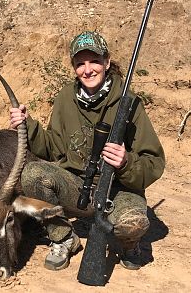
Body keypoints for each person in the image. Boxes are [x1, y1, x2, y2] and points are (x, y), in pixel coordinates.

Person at [9, 31, 165, 271]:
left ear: (107, 62)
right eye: (80, 63)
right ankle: (63, 238)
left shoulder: (130, 102)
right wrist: (27, 125)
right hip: (78, 189)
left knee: (132, 224)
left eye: (94, 61)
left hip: (118, 190)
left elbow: (153, 162)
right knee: (32, 173)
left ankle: (128, 244)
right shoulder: (65, 98)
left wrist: (126, 162)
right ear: (73, 67)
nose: (88, 69)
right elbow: (53, 148)